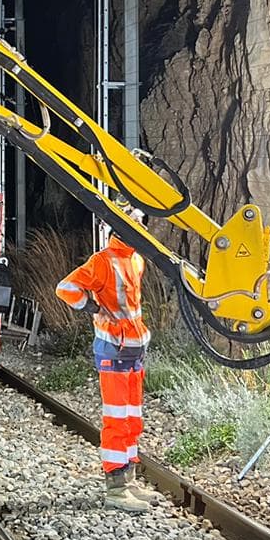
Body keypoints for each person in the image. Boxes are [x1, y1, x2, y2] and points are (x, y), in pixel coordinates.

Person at [55, 211, 156, 513]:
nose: (141, 228)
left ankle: (129, 478)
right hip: (113, 349)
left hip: (134, 350)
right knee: (116, 419)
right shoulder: (103, 260)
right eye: (137, 224)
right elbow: (66, 288)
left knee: (132, 419)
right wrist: (93, 307)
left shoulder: (137, 259)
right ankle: (116, 487)